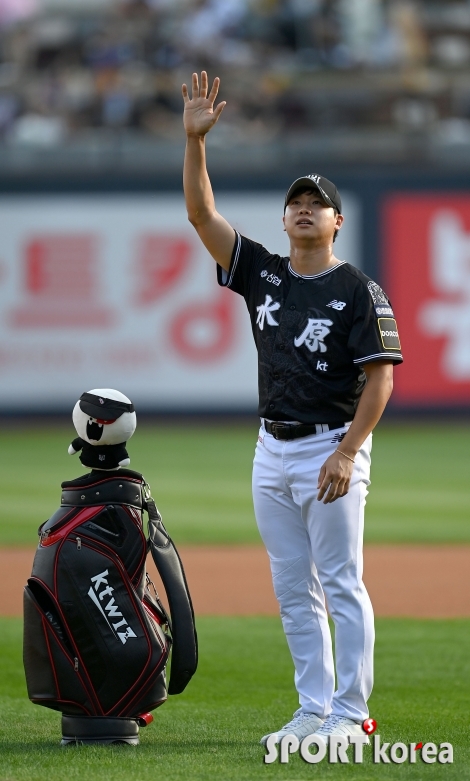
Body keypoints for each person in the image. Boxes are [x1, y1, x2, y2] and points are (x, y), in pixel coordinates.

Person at [181, 71, 403, 745]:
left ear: (337, 220)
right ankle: (313, 707)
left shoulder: (358, 290)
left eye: (319, 203)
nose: (305, 208)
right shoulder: (264, 271)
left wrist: (348, 451)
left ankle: (352, 713)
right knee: (292, 588)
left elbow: (381, 378)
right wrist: (194, 143)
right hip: (270, 447)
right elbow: (201, 215)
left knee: (340, 581)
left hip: (329, 444)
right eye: (295, 202)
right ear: (283, 219)